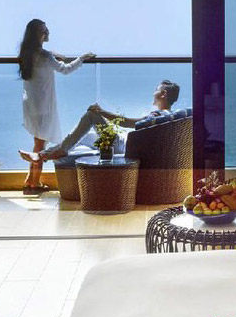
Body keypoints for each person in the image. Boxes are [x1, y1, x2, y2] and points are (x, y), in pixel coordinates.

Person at [20, 79, 180, 165]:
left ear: (163, 94)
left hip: (120, 145)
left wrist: (101, 112)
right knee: (83, 135)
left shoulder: (159, 114)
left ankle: (48, 154)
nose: (153, 93)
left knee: (91, 115)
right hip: (123, 142)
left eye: (156, 89)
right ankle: (47, 154)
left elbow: (127, 123)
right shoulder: (168, 116)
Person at [17, 18, 94, 193]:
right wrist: (82, 58)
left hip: (31, 103)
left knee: (38, 142)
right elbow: (65, 69)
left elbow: (44, 57)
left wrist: (53, 54)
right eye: (43, 31)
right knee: (39, 145)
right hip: (43, 105)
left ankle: (30, 180)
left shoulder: (26, 54)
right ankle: (34, 183)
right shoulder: (45, 56)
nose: (47, 32)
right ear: (37, 35)